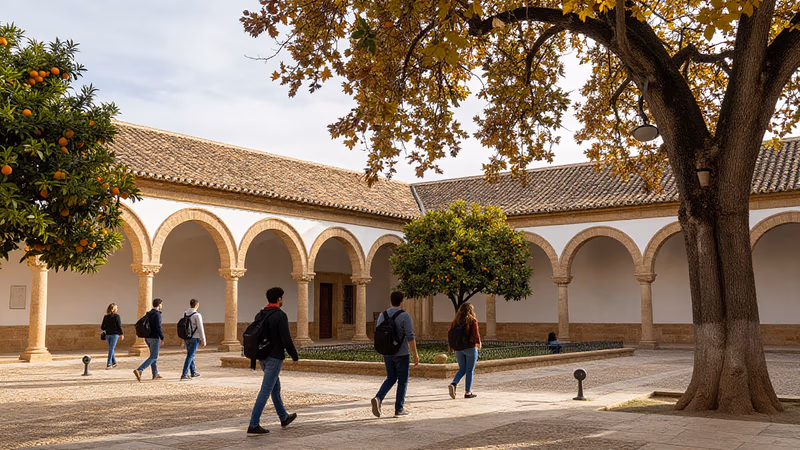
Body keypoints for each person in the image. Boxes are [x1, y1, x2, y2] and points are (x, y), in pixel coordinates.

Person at [247, 287, 299, 436]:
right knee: (266, 389)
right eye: (282, 298)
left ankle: (283, 417)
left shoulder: (260, 314)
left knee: (275, 386)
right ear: (279, 299)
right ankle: (253, 424)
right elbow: (286, 338)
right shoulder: (280, 315)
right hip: (274, 356)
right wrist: (294, 355)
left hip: (262, 356)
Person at [371, 291, 419, 418]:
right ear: (401, 301)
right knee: (402, 381)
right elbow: (410, 336)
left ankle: (378, 398)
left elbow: (379, 335)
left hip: (387, 352)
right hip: (401, 353)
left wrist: (383, 350)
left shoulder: (383, 315)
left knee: (391, 378)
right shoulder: (405, 316)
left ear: (391, 301)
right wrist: (415, 354)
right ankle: (399, 408)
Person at [447, 302, 481, 399]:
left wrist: (452, 346)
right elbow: (475, 334)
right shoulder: (472, 320)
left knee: (462, 369)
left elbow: (450, 333)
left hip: (458, 349)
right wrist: (478, 343)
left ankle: (453, 383)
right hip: (470, 348)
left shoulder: (455, 321)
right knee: (469, 370)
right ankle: (467, 392)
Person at [133, 298, 164, 381]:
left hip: (148, 337)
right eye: (161, 304)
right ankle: (139, 370)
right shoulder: (157, 314)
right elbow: (159, 327)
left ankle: (155, 373)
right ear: (159, 305)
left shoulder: (149, 313)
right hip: (154, 337)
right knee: (154, 356)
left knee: (152, 356)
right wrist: (162, 337)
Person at [180, 298, 206, 380]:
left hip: (187, 337)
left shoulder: (185, 313)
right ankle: (184, 374)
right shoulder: (197, 315)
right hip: (194, 337)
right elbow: (200, 328)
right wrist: (203, 339)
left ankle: (193, 372)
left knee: (191, 355)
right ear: (197, 305)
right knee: (190, 355)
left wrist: (182, 339)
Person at [101, 303, 124, 369]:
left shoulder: (106, 317)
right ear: (114, 309)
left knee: (111, 348)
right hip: (115, 334)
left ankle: (114, 362)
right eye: (116, 308)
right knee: (111, 348)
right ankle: (109, 363)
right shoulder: (117, 316)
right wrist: (121, 334)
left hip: (108, 334)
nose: (117, 309)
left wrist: (108, 327)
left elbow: (102, 327)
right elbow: (119, 326)